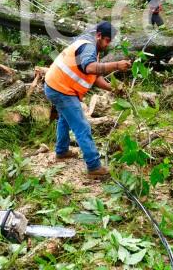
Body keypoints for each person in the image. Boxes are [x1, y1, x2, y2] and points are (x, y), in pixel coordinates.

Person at [44, 22, 132, 179]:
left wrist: (114, 89)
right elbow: (91, 68)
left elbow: (95, 77)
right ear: (98, 36)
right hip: (61, 89)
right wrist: (117, 65)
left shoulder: (91, 46)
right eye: (106, 40)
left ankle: (61, 151)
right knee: (82, 127)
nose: (108, 44)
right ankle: (94, 166)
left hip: (58, 86)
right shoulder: (89, 47)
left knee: (65, 119)